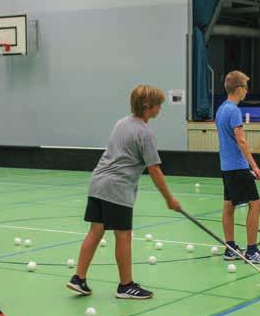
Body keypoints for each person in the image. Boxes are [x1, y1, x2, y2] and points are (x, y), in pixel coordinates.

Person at [67, 85, 181, 299]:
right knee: (123, 236)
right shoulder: (145, 133)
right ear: (149, 106)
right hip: (117, 188)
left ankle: (79, 279)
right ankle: (126, 286)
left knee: (95, 230)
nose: (160, 109)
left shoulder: (122, 123)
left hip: (98, 182)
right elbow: (154, 169)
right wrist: (169, 199)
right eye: (159, 105)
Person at [215, 71, 260, 264]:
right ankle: (252, 251)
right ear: (239, 88)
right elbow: (241, 140)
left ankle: (230, 248)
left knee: (229, 205)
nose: (247, 92)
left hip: (226, 166)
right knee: (256, 204)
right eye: (246, 87)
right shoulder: (233, 110)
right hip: (237, 166)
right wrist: (254, 166)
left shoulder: (221, 109)